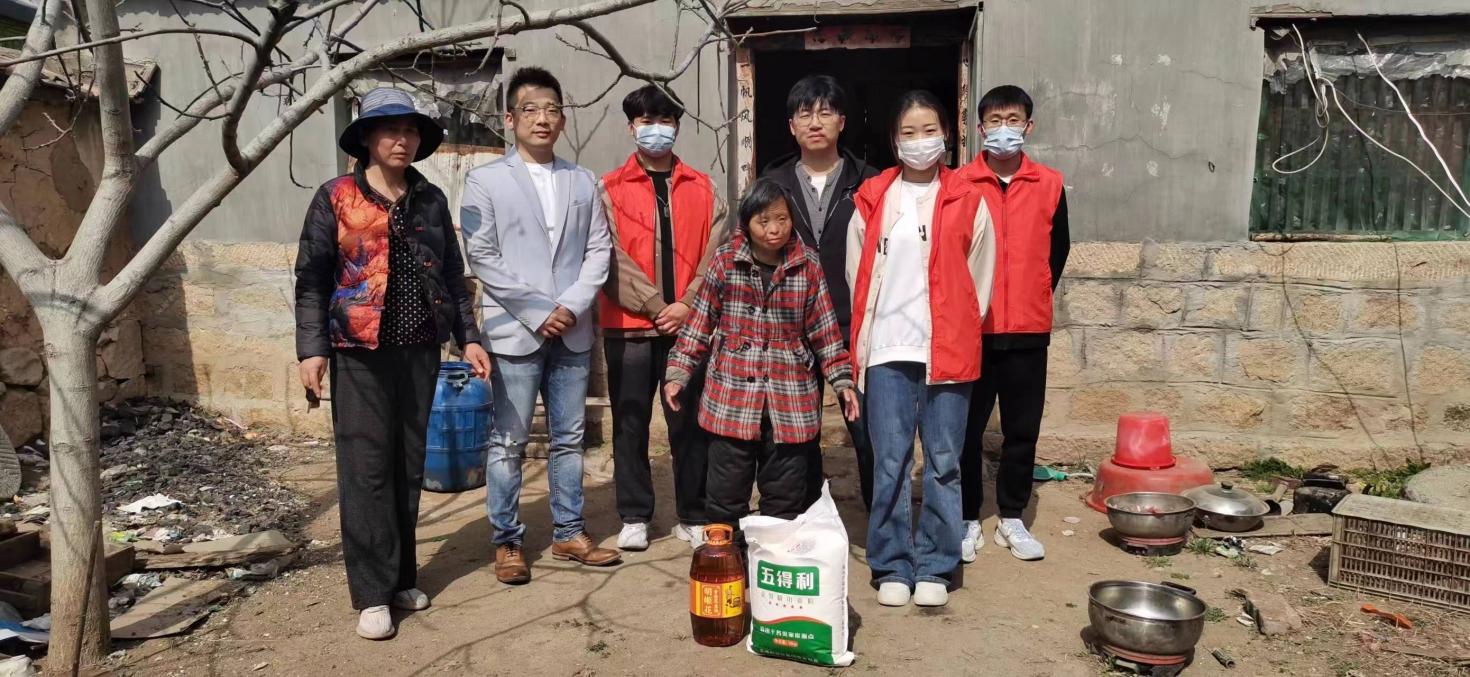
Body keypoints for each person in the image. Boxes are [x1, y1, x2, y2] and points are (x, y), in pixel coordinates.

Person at [294, 87, 491, 640]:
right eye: (389, 130)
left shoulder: (429, 198)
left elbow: (451, 274)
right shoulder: (336, 197)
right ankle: (372, 593)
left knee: (407, 465)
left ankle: (402, 576)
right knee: (366, 469)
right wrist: (312, 348)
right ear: (367, 139)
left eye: (409, 131)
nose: (401, 140)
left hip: (420, 348)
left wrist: (468, 338)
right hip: (359, 352)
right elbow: (311, 279)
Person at [459, 67, 618, 585]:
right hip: (515, 331)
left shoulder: (582, 180)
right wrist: (536, 310)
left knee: (570, 437)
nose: (542, 119)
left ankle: (569, 531)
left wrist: (570, 305)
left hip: (572, 329)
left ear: (563, 119)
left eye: (552, 110)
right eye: (530, 110)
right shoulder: (485, 181)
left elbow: (598, 249)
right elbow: (482, 255)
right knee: (508, 440)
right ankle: (507, 540)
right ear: (510, 119)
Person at [846, 91, 995, 608]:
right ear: (894, 140)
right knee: (889, 461)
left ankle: (936, 564)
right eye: (908, 132)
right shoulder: (872, 198)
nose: (919, 141)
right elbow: (857, 274)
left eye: (929, 130)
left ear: (947, 134)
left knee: (944, 462)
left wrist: (955, 325)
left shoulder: (968, 199)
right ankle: (892, 563)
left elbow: (979, 280)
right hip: (887, 349)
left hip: (947, 349)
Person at [663, 178, 860, 532]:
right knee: (725, 498)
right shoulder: (726, 261)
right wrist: (678, 373)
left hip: (790, 399)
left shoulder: (808, 264)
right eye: (763, 221)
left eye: (782, 219)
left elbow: (825, 331)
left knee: (784, 501)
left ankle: (772, 562)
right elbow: (699, 323)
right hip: (732, 398)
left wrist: (842, 382)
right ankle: (728, 562)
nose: (774, 230)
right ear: (747, 222)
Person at [599, 84, 727, 552]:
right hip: (629, 326)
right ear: (631, 127)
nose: (656, 129)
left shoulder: (704, 187)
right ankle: (635, 515)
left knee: (689, 422)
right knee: (629, 420)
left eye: (665, 120)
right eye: (646, 121)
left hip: (689, 329)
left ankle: (693, 512)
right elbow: (608, 255)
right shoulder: (609, 188)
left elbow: (717, 252)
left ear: (677, 126)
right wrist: (656, 306)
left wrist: (689, 304)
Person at [955, 85, 1070, 563]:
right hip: (973, 329)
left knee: (1022, 430)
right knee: (966, 430)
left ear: (1029, 126)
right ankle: (966, 517)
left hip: (1027, 328)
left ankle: (1012, 516)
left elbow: (1058, 250)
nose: (1005, 128)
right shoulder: (961, 183)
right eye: (995, 120)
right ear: (980, 128)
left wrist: (1033, 292)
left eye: (1014, 119)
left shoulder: (1049, 184)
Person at [761, 74, 878, 511]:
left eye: (825, 112)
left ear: (841, 122)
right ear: (791, 125)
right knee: (795, 434)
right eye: (805, 113)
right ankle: (801, 517)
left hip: (854, 325)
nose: (815, 122)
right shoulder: (772, 183)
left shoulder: (870, 183)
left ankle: (880, 522)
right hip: (792, 328)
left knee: (868, 430)